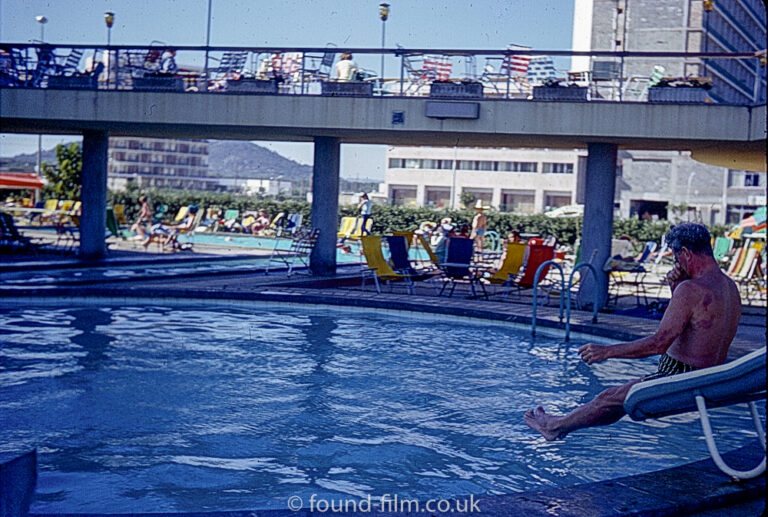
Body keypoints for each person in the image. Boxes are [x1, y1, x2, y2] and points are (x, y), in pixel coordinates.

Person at [525, 223, 741, 441]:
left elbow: (659, 344)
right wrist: (675, 288)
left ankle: (555, 427)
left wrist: (607, 351)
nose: (676, 264)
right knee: (616, 401)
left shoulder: (691, 289)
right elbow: (697, 329)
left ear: (685, 253)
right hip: (711, 378)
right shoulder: (729, 287)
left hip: (681, 379)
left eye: (676, 259)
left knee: (608, 398)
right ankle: (559, 425)